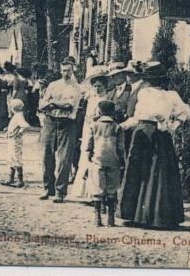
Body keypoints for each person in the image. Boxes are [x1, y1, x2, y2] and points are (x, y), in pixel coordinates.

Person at [118, 61, 190, 230]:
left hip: (155, 134)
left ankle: (149, 217)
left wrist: (172, 124)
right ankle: (141, 216)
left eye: (149, 79)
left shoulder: (165, 95)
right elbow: (139, 116)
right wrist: (124, 125)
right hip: (145, 133)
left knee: (153, 173)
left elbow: (185, 112)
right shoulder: (151, 94)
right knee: (150, 172)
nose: (147, 82)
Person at [71, 63, 125, 200]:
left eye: (99, 86)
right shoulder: (91, 99)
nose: (96, 88)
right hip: (88, 129)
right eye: (94, 86)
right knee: (86, 156)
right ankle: (86, 193)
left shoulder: (106, 99)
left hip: (102, 132)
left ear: (105, 86)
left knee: (97, 159)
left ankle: (98, 193)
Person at [37, 57, 82, 203]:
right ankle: (47, 188)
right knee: (46, 156)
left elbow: (69, 105)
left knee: (64, 159)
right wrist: (53, 104)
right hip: (50, 122)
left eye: (68, 70)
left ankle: (60, 191)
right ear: (60, 70)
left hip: (67, 123)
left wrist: (53, 103)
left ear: (73, 70)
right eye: (63, 70)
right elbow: (42, 104)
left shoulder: (77, 87)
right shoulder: (53, 85)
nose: (66, 73)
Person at [87, 100, 122, 227]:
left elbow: (89, 143)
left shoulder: (94, 125)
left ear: (100, 111)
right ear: (112, 112)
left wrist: (89, 154)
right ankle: (111, 217)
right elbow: (120, 146)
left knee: (98, 186)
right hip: (113, 160)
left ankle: (97, 217)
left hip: (98, 159)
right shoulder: (117, 127)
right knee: (112, 187)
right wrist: (121, 159)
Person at [4, 98, 29, 188]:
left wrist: (19, 132)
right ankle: (10, 179)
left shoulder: (18, 116)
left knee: (16, 158)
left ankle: (20, 180)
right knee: (11, 158)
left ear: (13, 108)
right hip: (12, 140)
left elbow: (25, 126)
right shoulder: (17, 115)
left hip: (15, 141)